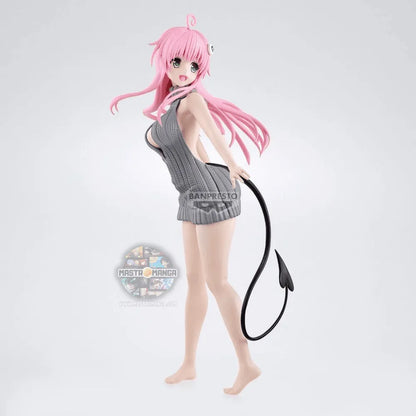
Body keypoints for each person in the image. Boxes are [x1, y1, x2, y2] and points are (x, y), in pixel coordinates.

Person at [110, 14, 271, 395]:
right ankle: (189, 364)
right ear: (164, 61)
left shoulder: (193, 99)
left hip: (212, 195)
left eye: (194, 65)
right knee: (196, 281)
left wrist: (232, 165)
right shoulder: (173, 106)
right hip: (190, 196)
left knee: (217, 281)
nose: (185, 70)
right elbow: (196, 149)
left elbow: (214, 137)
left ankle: (247, 364)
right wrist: (214, 167)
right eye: (177, 61)